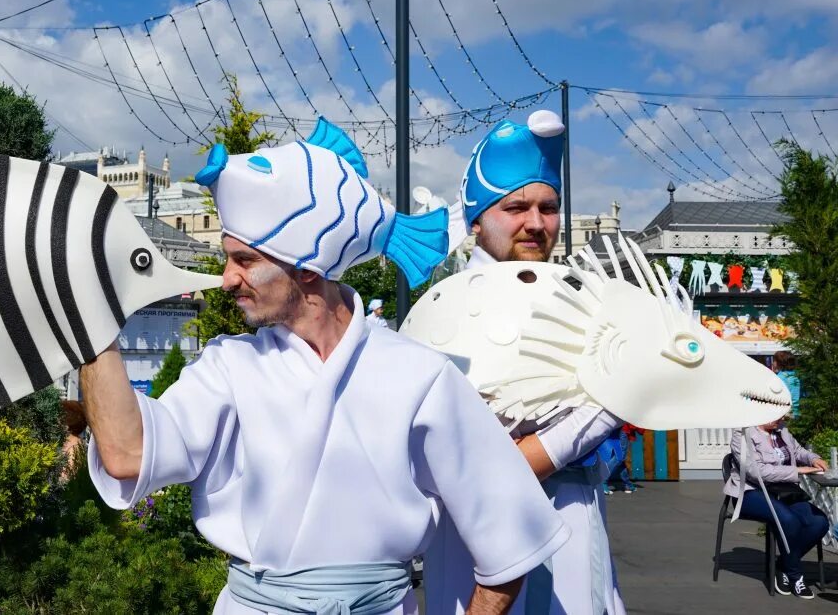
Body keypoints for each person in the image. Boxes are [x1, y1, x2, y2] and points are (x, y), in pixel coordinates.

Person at [83, 124, 569, 614]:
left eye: (244, 260)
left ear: (308, 268)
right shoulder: (228, 368)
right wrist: (86, 319)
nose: (227, 279)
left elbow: (511, 539)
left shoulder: (420, 376)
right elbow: (127, 454)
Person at [427, 110, 625, 615]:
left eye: (548, 206)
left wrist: (549, 449)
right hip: (474, 543)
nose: (536, 224)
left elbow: (622, 394)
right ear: (476, 218)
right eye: (515, 207)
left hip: (576, 527)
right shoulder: (443, 310)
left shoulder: (585, 300)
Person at [725, 417, 828, 599]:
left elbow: (798, 451)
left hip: (783, 491)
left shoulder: (781, 430)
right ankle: (796, 577)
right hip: (751, 492)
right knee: (789, 520)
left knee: (819, 522)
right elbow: (756, 472)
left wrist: (814, 459)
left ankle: (782, 565)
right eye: (778, 415)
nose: (781, 419)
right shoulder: (742, 434)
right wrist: (797, 471)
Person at [773, 351, 801, 418]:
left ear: (779, 363)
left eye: (774, 360)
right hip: (796, 411)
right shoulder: (795, 376)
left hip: (784, 413)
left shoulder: (780, 378)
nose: (772, 363)